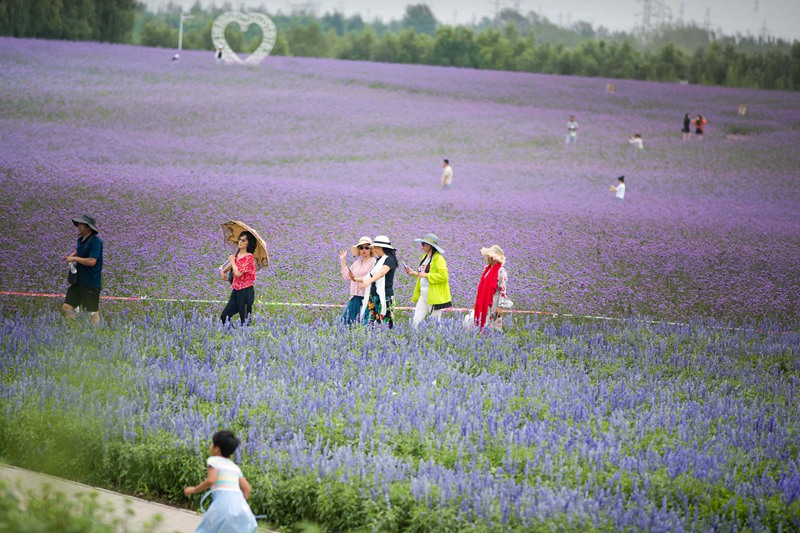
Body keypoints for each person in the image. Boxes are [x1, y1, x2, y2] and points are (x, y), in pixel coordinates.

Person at [184, 430, 257, 533]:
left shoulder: (213, 461)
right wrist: (236, 505)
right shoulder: (235, 467)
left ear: (217, 449)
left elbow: (211, 480)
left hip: (222, 508)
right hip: (241, 509)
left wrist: (193, 489)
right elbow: (247, 489)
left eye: (212, 443)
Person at [61, 215, 103, 326]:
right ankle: (76, 329)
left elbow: (92, 261)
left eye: (81, 224)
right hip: (78, 281)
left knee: (92, 313)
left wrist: (73, 258)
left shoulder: (96, 242)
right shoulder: (81, 240)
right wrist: (70, 255)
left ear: (89, 227)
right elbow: (79, 250)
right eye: (78, 224)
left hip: (90, 282)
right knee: (67, 307)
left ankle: (96, 335)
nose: (78, 226)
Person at [406, 233, 452, 327]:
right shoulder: (425, 257)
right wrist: (413, 272)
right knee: (416, 321)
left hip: (434, 296)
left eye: (424, 244)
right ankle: (416, 340)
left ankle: (440, 340)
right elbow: (422, 274)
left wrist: (427, 275)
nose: (422, 246)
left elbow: (444, 276)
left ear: (430, 246)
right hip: (423, 294)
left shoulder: (439, 259)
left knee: (435, 323)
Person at [472, 245, 513, 331]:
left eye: (489, 256)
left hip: (494, 302)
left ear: (494, 258)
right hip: (483, 300)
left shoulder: (501, 271)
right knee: (481, 322)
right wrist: (477, 301)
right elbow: (481, 287)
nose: (487, 258)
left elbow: (502, 290)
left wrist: (500, 307)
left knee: (492, 326)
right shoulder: (486, 269)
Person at [360, 235, 398, 329]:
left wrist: (368, 282)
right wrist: (355, 279)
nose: (375, 250)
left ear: (382, 248)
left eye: (376, 247)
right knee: (372, 322)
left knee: (385, 321)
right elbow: (371, 275)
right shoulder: (379, 260)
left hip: (385, 296)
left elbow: (381, 273)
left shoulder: (389, 260)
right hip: (374, 295)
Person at [220, 231, 256, 326]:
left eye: (243, 240)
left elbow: (238, 272)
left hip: (245, 292)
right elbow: (233, 265)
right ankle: (233, 336)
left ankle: (245, 339)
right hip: (236, 291)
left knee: (245, 321)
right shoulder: (237, 255)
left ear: (248, 243)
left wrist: (232, 260)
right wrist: (223, 271)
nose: (240, 242)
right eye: (239, 239)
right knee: (225, 316)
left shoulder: (249, 257)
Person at [338, 236, 376, 325]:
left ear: (370, 249)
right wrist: (343, 260)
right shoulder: (357, 262)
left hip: (366, 296)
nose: (364, 250)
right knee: (346, 321)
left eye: (367, 247)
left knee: (366, 323)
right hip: (355, 296)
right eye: (361, 247)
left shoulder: (373, 262)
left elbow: (371, 277)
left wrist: (355, 279)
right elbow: (347, 276)